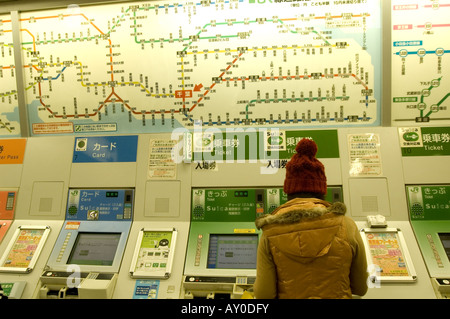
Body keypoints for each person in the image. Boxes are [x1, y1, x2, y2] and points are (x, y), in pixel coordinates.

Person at [253, 138, 368, 299]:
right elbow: (361, 288)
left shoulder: (270, 231)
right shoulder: (347, 225)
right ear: (322, 190)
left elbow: (264, 295)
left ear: (288, 191)